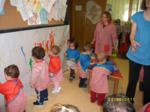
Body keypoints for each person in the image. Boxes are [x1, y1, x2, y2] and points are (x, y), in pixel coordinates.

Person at [126, 0, 150, 105]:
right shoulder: (137, 16)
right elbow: (132, 34)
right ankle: (127, 106)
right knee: (132, 82)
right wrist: (132, 41)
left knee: (148, 85)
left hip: (149, 56)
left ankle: (147, 107)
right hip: (135, 54)